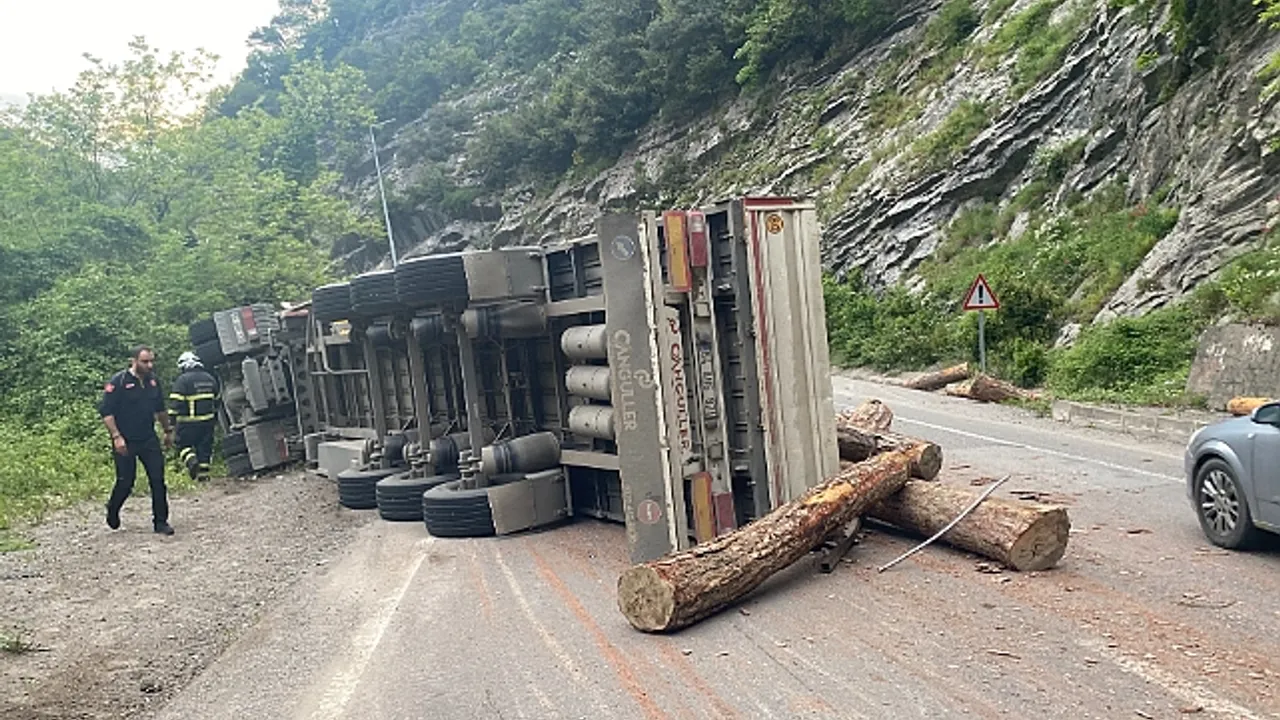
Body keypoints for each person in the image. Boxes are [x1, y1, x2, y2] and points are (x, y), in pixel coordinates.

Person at [99, 345, 175, 535]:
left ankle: (160, 522)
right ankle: (113, 508)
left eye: (151, 361)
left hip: (148, 438)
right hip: (125, 439)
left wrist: (167, 431)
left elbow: (160, 409)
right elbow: (107, 413)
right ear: (133, 361)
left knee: (157, 480)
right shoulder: (119, 382)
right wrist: (116, 437)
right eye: (145, 361)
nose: (149, 365)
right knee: (126, 482)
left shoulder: (153, 382)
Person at [169, 351, 220, 483]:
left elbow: (175, 403)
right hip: (208, 423)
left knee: (181, 445)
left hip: (188, 424)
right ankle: (203, 477)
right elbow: (217, 400)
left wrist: (170, 423)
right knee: (204, 449)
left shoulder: (183, 380)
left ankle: (191, 461)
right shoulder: (210, 378)